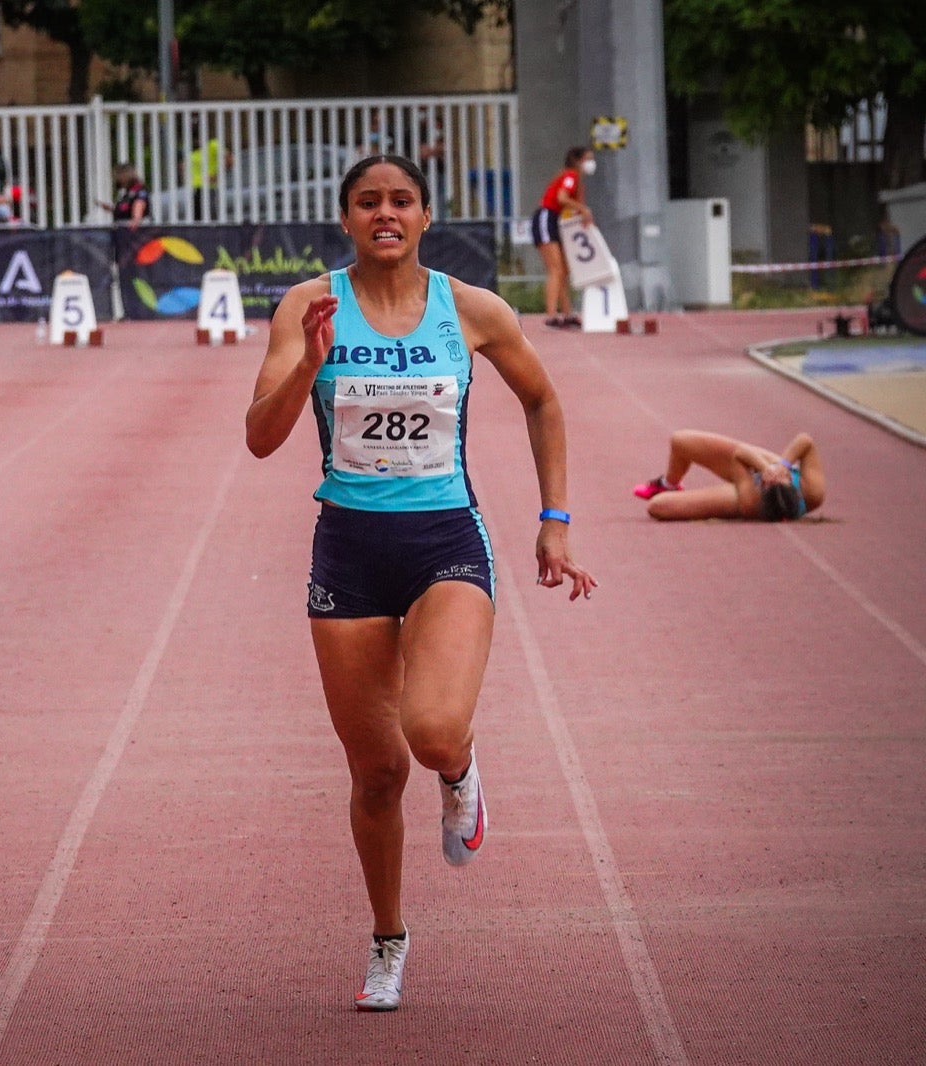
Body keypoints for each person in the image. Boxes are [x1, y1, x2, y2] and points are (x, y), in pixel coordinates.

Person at [245, 155, 594, 1012]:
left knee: (433, 732)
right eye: (368, 203)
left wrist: (556, 518)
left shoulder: (472, 311)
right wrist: (307, 364)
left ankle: (463, 770)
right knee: (374, 775)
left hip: (446, 540)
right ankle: (388, 941)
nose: (385, 214)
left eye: (401, 200)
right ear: (347, 220)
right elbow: (259, 437)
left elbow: (544, 401)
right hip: (349, 550)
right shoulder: (307, 306)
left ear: (426, 216)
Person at [633, 430, 825, 521]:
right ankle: (669, 483)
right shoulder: (813, 491)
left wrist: (765, 472)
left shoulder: (751, 502)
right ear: (794, 484)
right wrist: (779, 466)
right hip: (771, 466)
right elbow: (805, 440)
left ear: (762, 488)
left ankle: (668, 493)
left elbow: (740, 455)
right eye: (785, 477)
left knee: (658, 507)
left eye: (767, 483)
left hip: (744, 489)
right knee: (679, 441)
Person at [531, 147, 596, 330]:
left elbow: (572, 206)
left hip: (556, 221)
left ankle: (567, 314)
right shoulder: (570, 176)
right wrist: (583, 210)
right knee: (555, 269)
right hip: (546, 217)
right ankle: (551, 315)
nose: (591, 164)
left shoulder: (577, 182)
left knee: (564, 271)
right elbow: (561, 198)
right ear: (578, 161)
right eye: (588, 159)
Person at [101, 164, 150, 230]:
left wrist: (136, 220)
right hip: (124, 229)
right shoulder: (128, 192)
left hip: (132, 231)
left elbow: (139, 204)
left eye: (118, 177)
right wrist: (112, 208)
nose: (117, 180)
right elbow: (126, 209)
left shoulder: (138, 190)